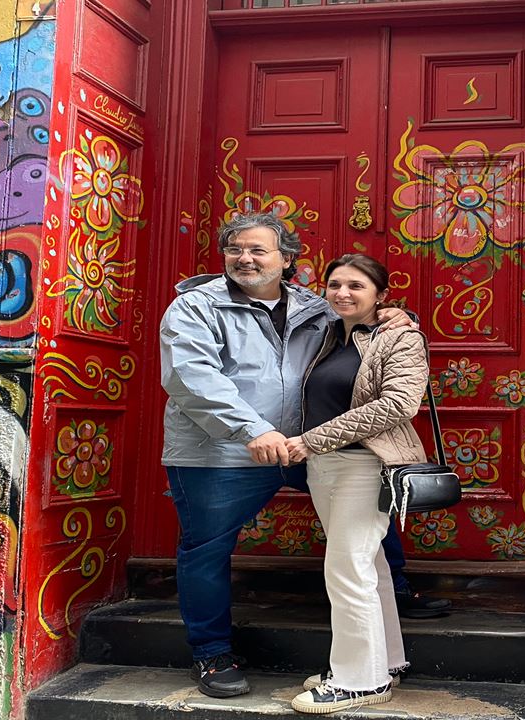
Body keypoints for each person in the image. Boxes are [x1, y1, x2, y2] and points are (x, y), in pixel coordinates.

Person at [159, 213, 429, 699]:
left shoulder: (315, 307)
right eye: (235, 249)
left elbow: (365, 328)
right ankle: (212, 653)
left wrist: (397, 315)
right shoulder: (196, 306)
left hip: (309, 447)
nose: (245, 258)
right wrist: (253, 430)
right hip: (221, 451)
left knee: (367, 523)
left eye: (258, 250)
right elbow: (191, 376)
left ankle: (394, 604)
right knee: (206, 550)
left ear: (287, 260)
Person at [284, 254, 429, 714]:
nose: (342, 293)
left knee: (347, 569)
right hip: (325, 465)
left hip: (366, 465)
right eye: (335, 285)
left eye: (356, 286)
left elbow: (398, 404)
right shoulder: (329, 335)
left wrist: (312, 440)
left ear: (381, 295)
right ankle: (385, 661)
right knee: (369, 566)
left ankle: (359, 681)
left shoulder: (400, 337)